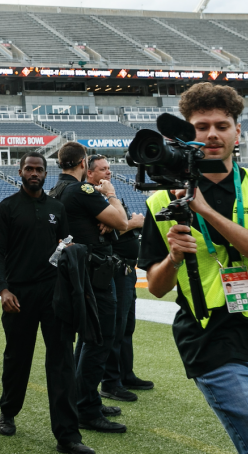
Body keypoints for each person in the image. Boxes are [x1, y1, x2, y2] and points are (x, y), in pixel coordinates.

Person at [139, 82, 248, 454]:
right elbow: (157, 286)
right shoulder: (163, 200)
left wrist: (206, 212)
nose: (211, 134)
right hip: (209, 340)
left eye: (222, 125)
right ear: (185, 134)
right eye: (201, 126)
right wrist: (173, 258)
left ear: (237, 131)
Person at [0, 152, 92, 454]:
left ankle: (68, 436)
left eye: (39, 169)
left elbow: (65, 245)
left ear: (46, 174)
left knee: (62, 362)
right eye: (29, 169)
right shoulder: (7, 208)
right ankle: (8, 411)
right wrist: (3, 290)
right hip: (18, 294)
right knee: (17, 358)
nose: (34, 173)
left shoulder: (57, 208)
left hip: (54, 294)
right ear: (20, 172)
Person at [52, 143, 130, 433]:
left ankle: (84, 399)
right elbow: (121, 221)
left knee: (86, 339)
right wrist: (110, 196)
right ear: (84, 163)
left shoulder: (57, 190)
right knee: (100, 338)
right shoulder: (82, 190)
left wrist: (100, 216)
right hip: (94, 272)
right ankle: (86, 407)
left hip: (76, 272)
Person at [84, 156, 154, 399]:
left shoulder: (106, 195)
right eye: (103, 169)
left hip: (127, 269)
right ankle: (110, 382)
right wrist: (133, 223)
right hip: (112, 270)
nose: (108, 172)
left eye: (109, 168)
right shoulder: (88, 195)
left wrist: (124, 224)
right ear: (89, 172)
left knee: (127, 326)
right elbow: (107, 228)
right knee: (113, 327)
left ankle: (126, 373)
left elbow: (116, 224)